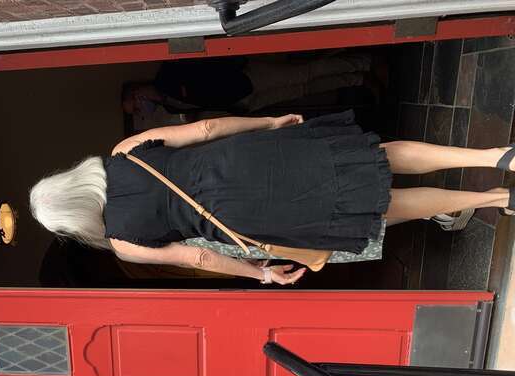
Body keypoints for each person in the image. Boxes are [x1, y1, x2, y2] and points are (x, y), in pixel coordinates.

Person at [29, 112, 514, 285]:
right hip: (249, 160)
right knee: (376, 155)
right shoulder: (122, 153)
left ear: (73, 222)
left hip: (254, 214)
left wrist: (259, 271)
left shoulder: (122, 243)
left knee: (383, 205)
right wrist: (269, 124)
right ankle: (495, 155)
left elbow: (199, 256)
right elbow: (205, 129)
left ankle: (493, 198)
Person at [121, 53, 374, 117]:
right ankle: (358, 79)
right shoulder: (170, 108)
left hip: (244, 77)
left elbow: (206, 68)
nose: (142, 110)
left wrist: (238, 66)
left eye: (135, 105)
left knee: (303, 74)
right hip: (243, 102)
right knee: (302, 90)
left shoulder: (167, 74)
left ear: (136, 92)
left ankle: (363, 63)